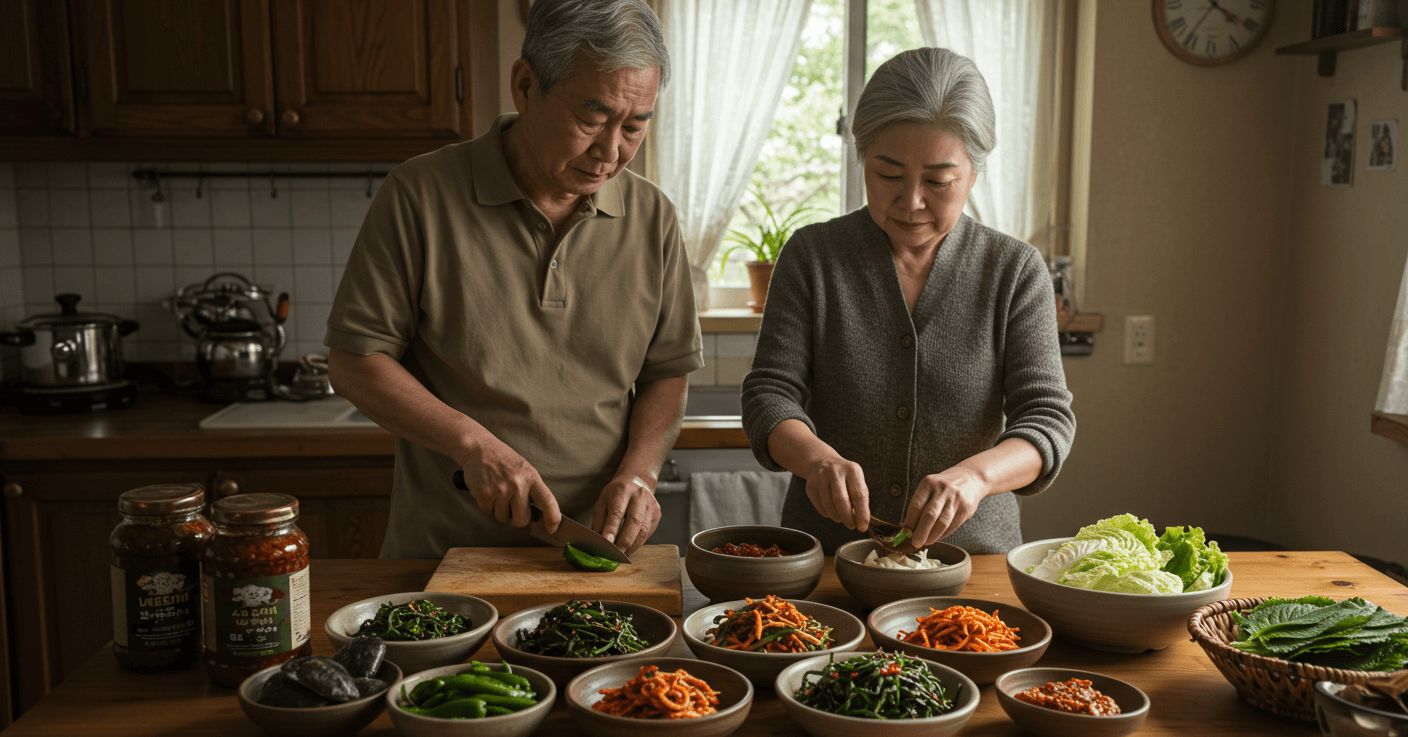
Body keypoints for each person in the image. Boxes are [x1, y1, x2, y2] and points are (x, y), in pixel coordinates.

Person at [326, 0, 702, 559]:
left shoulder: (653, 218)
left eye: (634, 126)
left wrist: (641, 474)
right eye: (592, 120)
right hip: (443, 557)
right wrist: (473, 445)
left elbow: (666, 373)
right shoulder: (419, 194)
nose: (610, 152)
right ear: (525, 86)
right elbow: (355, 361)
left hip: (590, 556)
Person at [740, 48, 1075, 556]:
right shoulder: (813, 257)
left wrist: (975, 477)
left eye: (939, 181)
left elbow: (1047, 419)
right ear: (862, 162)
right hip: (828, 559)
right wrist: (816, 461)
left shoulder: (1014, 270)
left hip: (972, 564)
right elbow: (769, 393)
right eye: (888, 175)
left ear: (974, 173)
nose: (912, 201)